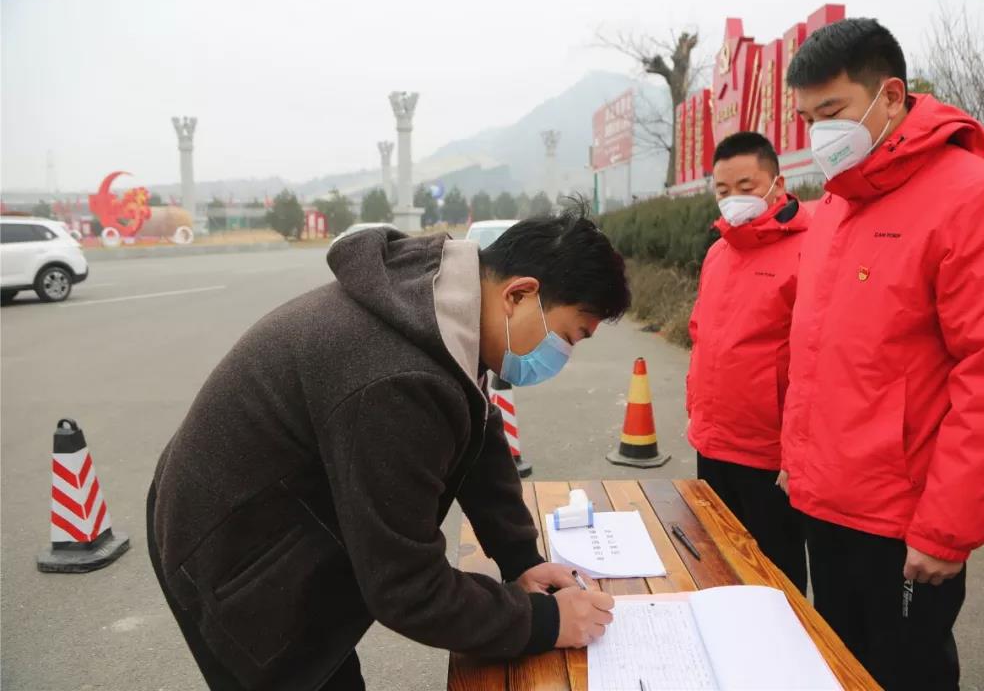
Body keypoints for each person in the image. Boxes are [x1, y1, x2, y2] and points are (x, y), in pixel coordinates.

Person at [147, 207, 628, 691]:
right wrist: (545, 622)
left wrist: (521, 558)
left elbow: (478, 434)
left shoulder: (445, 305)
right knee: (302, 668)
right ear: (518, 294)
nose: (563, 356)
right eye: (567, 337)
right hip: (229, 551)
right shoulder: (397, 380)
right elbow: (407, 587)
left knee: (328, 661)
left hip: (278, 510)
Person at [779, 18, 984, 689]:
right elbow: (819, 356)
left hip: (903, 525)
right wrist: (799, 468)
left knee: (906, 674)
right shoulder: (834, 209)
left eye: (833, 111)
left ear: (892, 96)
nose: (819, 133)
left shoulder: (978, 200)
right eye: (808, 119)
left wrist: (945, 530)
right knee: (837, 666)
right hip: (824, 503)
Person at [686, 131, 811, 593]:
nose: (733, 199)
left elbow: (813, 359)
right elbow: (701, 336)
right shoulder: (719, 252)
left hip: (768, 454)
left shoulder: (809, 249)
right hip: (712, 441)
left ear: (778, 184)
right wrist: (695, 409)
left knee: (774, 575)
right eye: (723, 190)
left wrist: (799, 451)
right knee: (717, 561)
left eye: (746, 186)